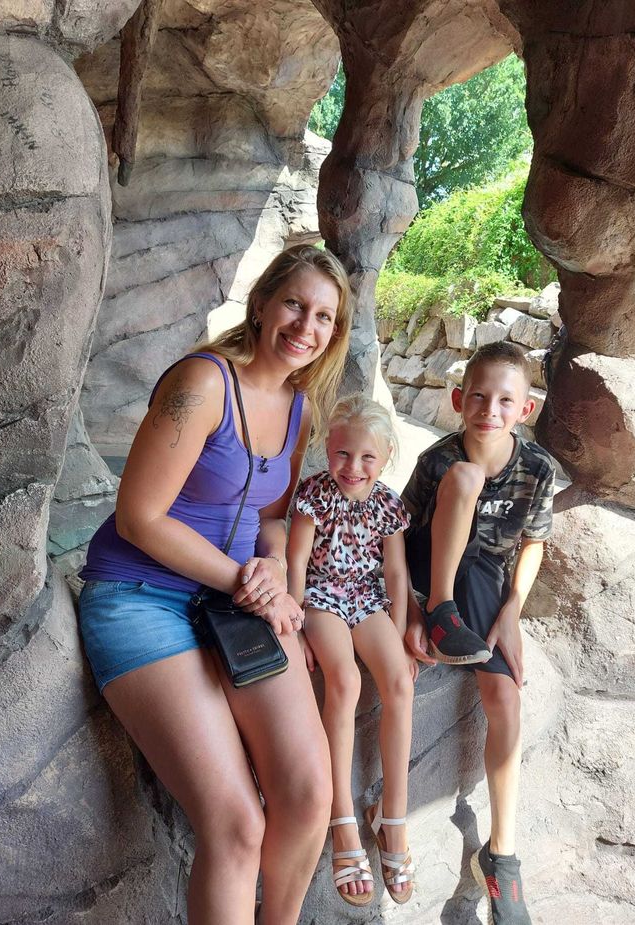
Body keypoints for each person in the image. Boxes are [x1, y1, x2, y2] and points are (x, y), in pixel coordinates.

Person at [77, 244, 353, 925]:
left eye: (324, 316)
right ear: (261, 303)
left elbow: (268, 516)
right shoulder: (201, 383)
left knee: (309, 790)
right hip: (142, 595)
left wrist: (273, 564)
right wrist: (246, 578)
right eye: (294, 304)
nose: (305, 327)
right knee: (236, 824)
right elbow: (139, 516)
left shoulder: (298, 408)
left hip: (233, 598)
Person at [403, 341, 555, 925]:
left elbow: (532, 543)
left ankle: (502, 856)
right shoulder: (440, 459)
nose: (490, 409)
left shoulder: (537, 468)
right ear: (458, 399)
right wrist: (413, 609)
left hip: (485, 577)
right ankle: (443, 612)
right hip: (430, 568)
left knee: (505, 696)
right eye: (480, 397)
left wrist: (511, 612)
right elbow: (396, 529)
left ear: (526, 409)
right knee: (465, 478)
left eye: (505, 400)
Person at [286, 396, 416, 908]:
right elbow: (297, 562)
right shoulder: (313, 497)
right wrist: (294, 624)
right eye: (342, 454)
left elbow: (396, 574)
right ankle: (342, 819)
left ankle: (394, 817)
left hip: (367, 598)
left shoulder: (388, 504)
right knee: (344, 679)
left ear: (384, 457)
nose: (352, 468)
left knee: (400, 683)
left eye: (366, 458)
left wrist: (402, 633)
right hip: (320, 597)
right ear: (327, 449)